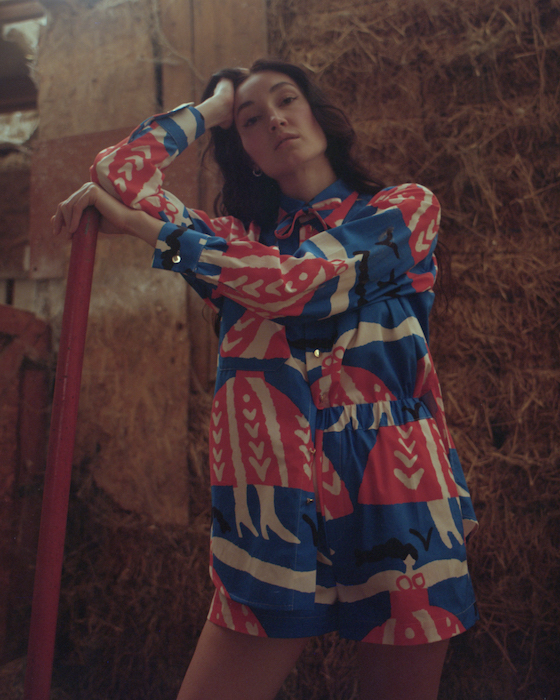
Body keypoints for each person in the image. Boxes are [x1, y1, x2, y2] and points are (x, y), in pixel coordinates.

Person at [53, 58, 478, 700]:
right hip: (269, 498)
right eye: (252, 119)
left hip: (399, 485)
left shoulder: (404, 210)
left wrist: (149, 230)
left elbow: (295, 286)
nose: (274, 119)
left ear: (320, 114)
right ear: (243, 149)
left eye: (286, 100)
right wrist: (214, 107)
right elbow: (119, 172)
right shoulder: (230, 244)